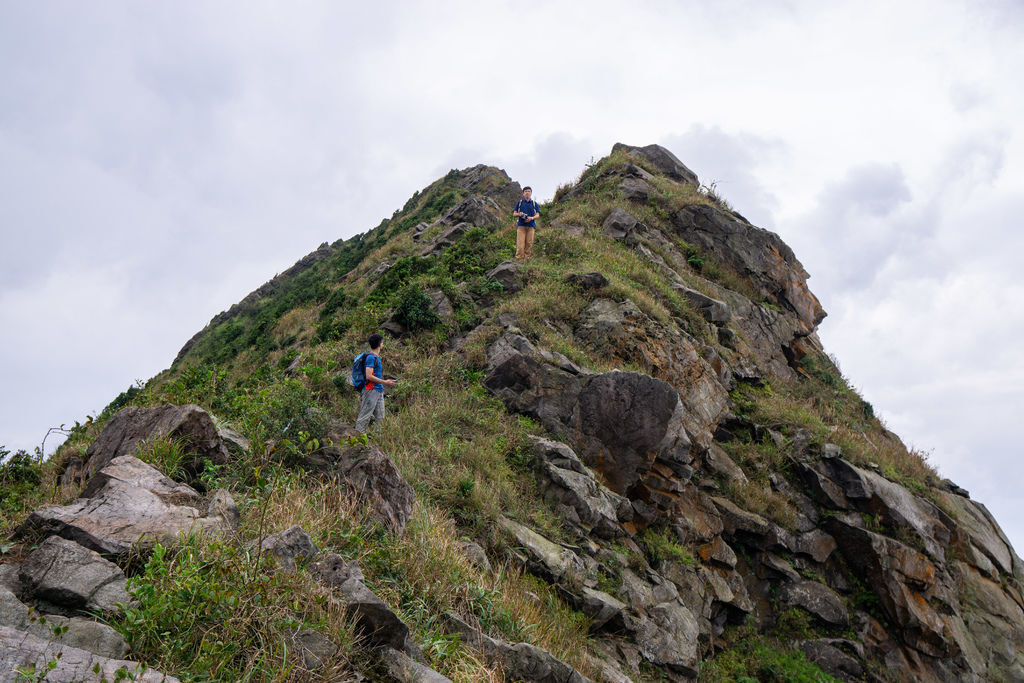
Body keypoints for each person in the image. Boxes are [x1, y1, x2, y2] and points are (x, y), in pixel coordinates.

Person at [355, 333, 397, 433]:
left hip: (378, 390)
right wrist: (385, 382)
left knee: (380, 418)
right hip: (370, 390)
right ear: (379, 344)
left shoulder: (376, 357)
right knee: (364, 416)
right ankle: (357, 440)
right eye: (382, 342)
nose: (383, 343)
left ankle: (378, 440)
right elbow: (369, 375)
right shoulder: (371, 358)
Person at [513, 186, 540, 260]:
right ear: (523, 193)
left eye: (529, 191)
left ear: (531, 193)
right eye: (525, 191)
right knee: (520, 245)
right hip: (521, 226)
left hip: (531, 226)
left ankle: (526, 260)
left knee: (529, 244)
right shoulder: (520, 203)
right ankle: (519, 259)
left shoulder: (534, 203)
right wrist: (519, 214)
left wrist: (532, 218)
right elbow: (514, 214)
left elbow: (537, 215)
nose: (527, 192)